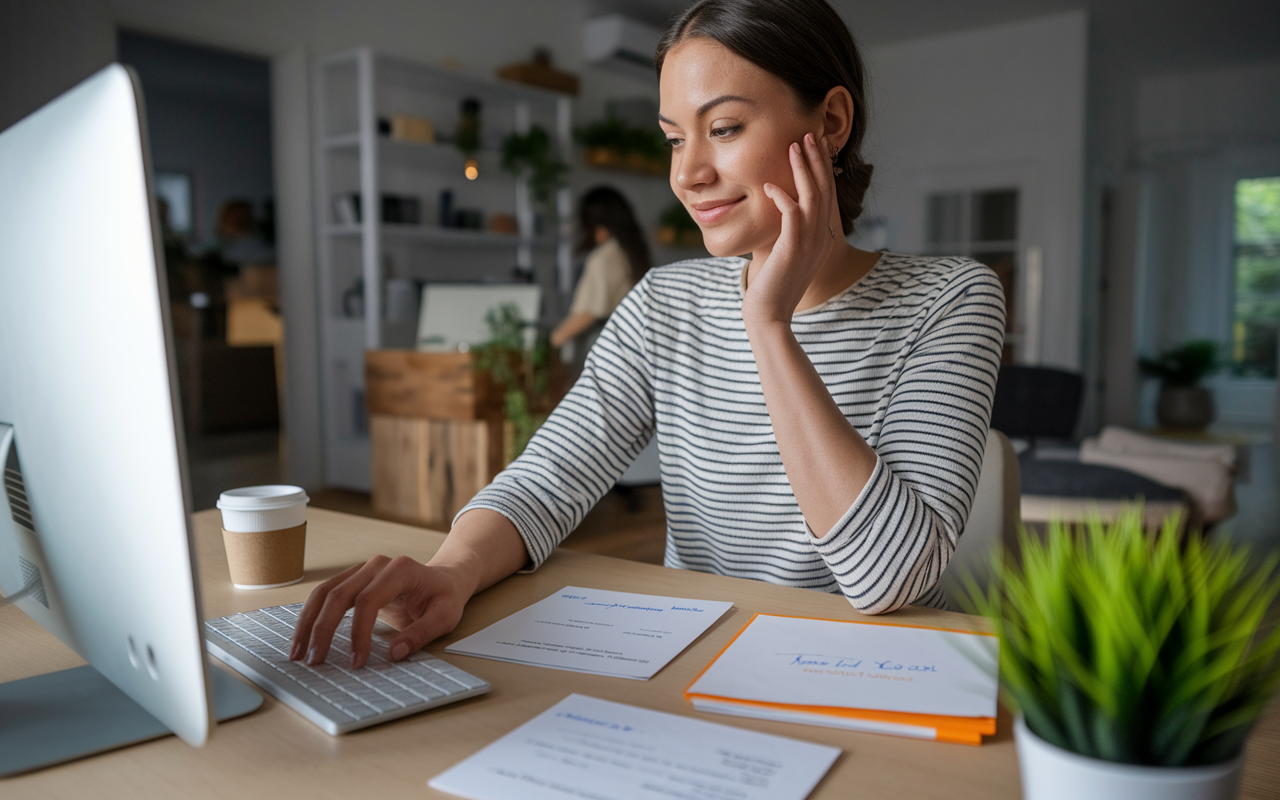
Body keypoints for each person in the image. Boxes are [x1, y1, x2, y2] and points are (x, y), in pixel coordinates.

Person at [290, 0, 1006, 670]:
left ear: (831, 122)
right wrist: (455, 568)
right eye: (673, 139)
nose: (689, 174)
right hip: (694, 658)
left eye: (724, 129)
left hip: (870, 671)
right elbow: (552, 476)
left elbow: (888, 580)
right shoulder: (666, 301)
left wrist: (768, 323)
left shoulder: (950, 299)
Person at [550, 187, 652, 370]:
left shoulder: (604, 257)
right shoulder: (632, 251)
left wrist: (554, 340)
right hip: (628, 351)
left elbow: (590, 313)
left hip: (599, 348)